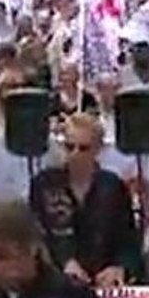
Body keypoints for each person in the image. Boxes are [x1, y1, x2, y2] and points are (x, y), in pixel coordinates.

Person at [29, 113, 140, 286]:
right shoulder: (44, 184)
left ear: (98, 149)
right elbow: (36, 236)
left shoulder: (112, 186)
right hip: (56, 284)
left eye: (83, 148)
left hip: (102, 282)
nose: (75, 154)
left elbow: (128, 241)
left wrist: (120, 268)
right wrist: (64, 263)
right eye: (69, 147)